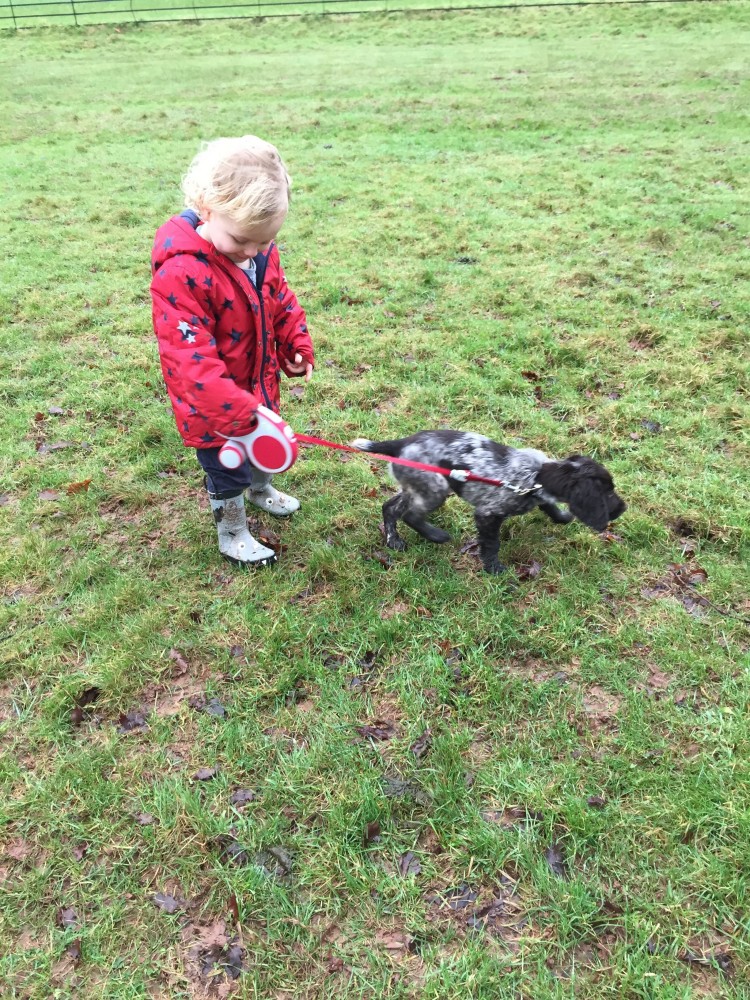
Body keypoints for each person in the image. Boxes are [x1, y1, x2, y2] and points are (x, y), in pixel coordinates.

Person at [150, 136, 314, 568]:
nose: (254, 252)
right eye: (244, 240)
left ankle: (261, 490)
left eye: (265, 242)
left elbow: (278, 297)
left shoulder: (259, 252)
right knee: (227, 469)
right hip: (215, 405)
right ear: (206, 207)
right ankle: (232, 530)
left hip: (256, 386)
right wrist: (235, 410)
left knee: (262, 450)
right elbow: (190, 361)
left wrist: (295, 341)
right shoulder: (182, 273)